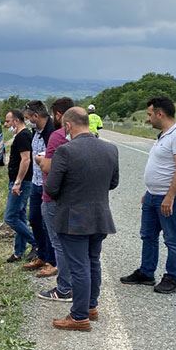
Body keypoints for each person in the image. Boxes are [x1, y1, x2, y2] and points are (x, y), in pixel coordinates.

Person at [46, 107, 119, 331]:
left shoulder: (65, 151)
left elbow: (52, 188)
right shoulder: (110, 149)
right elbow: (113, 183)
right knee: (93, 261)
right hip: (99, 216)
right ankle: (90, 307)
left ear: (67, 126)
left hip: (73, 219)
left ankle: (79, 317)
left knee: (79, 267)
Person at [120, 97, 176, 294]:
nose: (148, 118)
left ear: (160, 114)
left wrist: (170, 196)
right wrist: (150, 191)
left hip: (171, 198)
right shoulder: (163, 135)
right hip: (153, 196)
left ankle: (172, 278)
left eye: (150, 114)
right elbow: (161, 167)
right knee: (148, 236)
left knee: (172, 238)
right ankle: (146, 272)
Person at [36, 97, 74, 302]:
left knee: (58, 243)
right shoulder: (86, 138)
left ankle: (64, 288)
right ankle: (76, 285)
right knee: (73, 243)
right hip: (73, 198)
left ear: (59, 115)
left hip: (52, 197)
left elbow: (48, 168)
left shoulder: (57, 136)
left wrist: (41, 159)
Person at [23, 100, 56, 277]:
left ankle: (52, 261)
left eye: (28, 117)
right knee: (34, 219)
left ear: (36, 116)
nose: (27, 120)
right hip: (35, 182)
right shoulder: (35, 133)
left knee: (47, 224)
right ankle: (41, 255)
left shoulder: (52, 133)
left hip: (47, 184)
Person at [3, 109, 37, 263]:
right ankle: (19, 252)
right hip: (19, 181)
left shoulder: (23, 136)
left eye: (8, 121)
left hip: (21, 182)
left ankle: (36, 243)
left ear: (16, 121)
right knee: (20, 216)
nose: (6, 124)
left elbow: (26, 160)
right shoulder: (21, 136)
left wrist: (17, 182)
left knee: (10, 217)